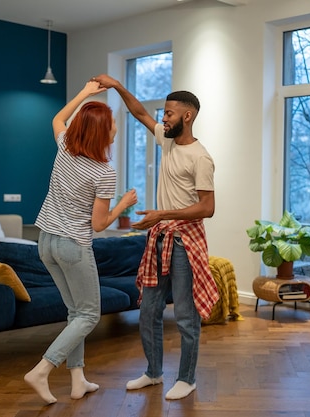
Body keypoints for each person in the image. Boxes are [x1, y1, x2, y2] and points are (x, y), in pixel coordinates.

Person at [94, 74, 219, 400]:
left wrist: (160, 215)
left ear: (187, 116)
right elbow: (139, 113)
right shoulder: (166, 139)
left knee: (185, 316)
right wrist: (119, 86)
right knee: (149, 311)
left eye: (169, 113)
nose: (162, 118)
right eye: (163, 113)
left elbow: (207, 208)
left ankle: (187, 379)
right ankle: (153, 372)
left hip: (184, 241)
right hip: (160, 237)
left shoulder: (200, 157)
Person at [24, 80, 137, 404]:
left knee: (76, 313)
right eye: (113, 123)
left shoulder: (64, 148)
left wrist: (86, 94)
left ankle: (78, 380)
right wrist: (123, 205)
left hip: (45, 241)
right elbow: (99, 224)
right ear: (103, 132)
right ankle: (43, 369)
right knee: (89, 315)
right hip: (73, 246)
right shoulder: (104, 171)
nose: (116, 127)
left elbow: (57, 120)